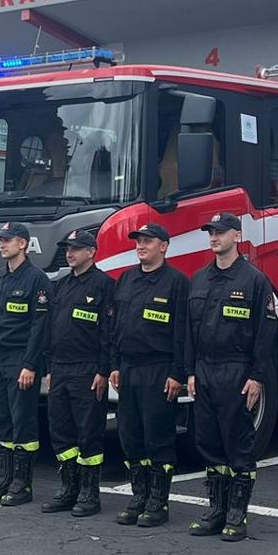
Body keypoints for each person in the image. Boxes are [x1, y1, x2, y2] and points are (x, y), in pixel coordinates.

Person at [185, 212, 278, 542]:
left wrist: (257, 377)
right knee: (208, 442)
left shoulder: (254, 281)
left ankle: (237, 514)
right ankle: (217, 510)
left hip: (237, 371)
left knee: (237, 442)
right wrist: (190, 372)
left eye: (221, 232)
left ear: (237, 236)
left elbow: (265, 336)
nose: (214, 237)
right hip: (205, 370)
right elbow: (189, 332)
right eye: (210, 232)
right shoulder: (199, 280)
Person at [107, 221, 190, 527]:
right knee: (131, 436)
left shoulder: (177, 283)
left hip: (159, 369)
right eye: (138, 241)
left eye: (148, 241)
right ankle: (138, 496)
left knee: (158, 436)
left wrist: (177, 373)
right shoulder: (126, 279)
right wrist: (114, 365)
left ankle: (158, 502)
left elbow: (182, 333)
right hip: (129, 369)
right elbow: (116, 328)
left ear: (164, 247)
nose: (140, 246)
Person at [41, 228, 114, 517]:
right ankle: (68, 487)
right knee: (61, 432)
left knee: (89, 434)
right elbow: (51, 330)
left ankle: (89, 493)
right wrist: (49, 368)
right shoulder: (60, 285)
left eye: (75, 248)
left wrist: (103, 370)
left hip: (87, 369)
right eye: (67, 249)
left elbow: (109, 332)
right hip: (60, 369)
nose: (69, 253)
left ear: (91, 252)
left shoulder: (104, 285)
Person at [0, 222, 51, 507]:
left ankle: (22, 483)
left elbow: (39, 326)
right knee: (0, 420)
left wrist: (31, 365)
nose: (1, 244)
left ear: (23, 244)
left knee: (23, 421)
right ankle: (5, 478)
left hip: (21, 358)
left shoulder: (36, 279)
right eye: (0, 240)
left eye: (7, 240)